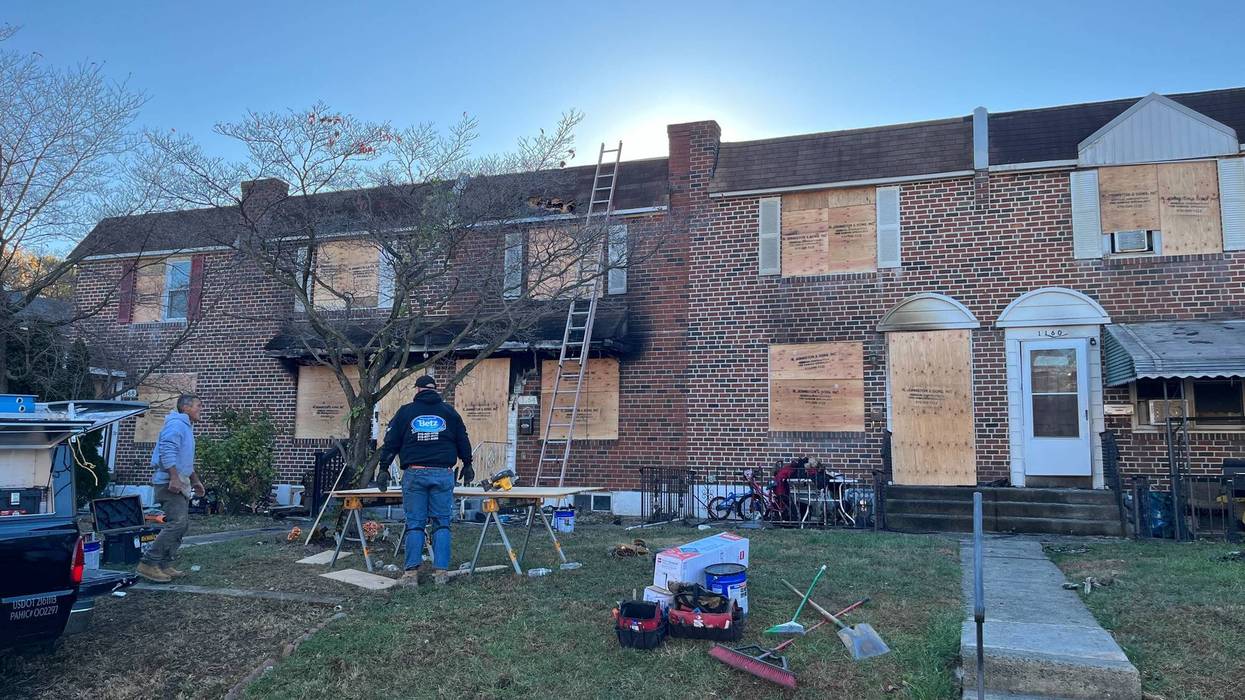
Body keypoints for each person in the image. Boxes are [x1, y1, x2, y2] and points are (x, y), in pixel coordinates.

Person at [377, 375, 473, 587]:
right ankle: (441, 573)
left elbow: (391, 442)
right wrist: (467, 464)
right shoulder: (449, 413)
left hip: (415, 473)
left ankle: (411, 574)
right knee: (441, 523)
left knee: (415, 524)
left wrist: (383, 468)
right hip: (443, 473)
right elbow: (463, 439)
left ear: (418, 390)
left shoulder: (405, 412)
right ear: (435, 390)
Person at [136, 394, 205, 583]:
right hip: (168, 483)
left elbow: (185, 461)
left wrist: (195, 481)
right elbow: (167, 451)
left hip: (179, 482)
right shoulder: (176, 425)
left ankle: (163, 564)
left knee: (181, 524)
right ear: (186, 408)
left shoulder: (185, 427)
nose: (201, 409)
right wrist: (174, 477)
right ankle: (148, 563)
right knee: (177, 523)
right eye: (198, 405)